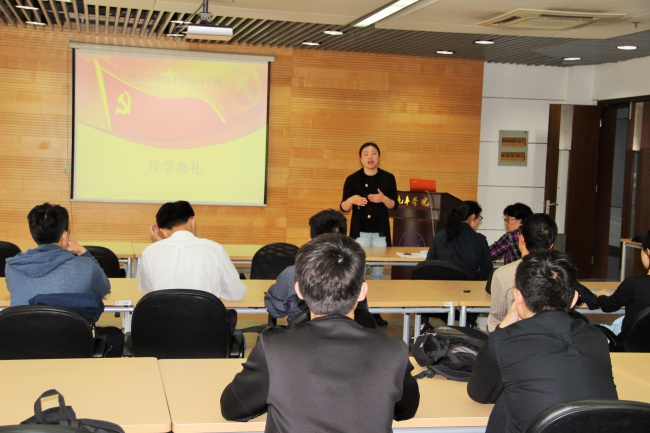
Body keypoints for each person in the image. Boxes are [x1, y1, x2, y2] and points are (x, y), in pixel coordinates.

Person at [221, 233, 420, 432]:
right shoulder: (393, 351)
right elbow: (406, 410)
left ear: (299, 291)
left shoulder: (273, 349)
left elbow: (232, 408)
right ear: (362, 292)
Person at [468, 249, 618, 433]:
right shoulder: (596, 337)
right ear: (574, 299)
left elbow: (479, 393)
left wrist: (504, 326)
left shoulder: (505, 340)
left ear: (518, 296)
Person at [263, 209, 375, 328]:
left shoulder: (292, 273)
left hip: (302, 337)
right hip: (351, 335)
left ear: (310, 242)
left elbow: (275, 310)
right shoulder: (355, 270)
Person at [487, 213, 598, 332]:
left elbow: (495, 322)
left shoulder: (501, 274)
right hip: (556, 336)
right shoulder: (560, 272)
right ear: (551, 246)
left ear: (521, 238)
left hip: (514, 337)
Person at [138, 200, 246, 301]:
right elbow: (237, 293)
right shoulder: (215, 249)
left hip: (165, 314)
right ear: (193, 220)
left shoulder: (149, 252)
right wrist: (216, 289)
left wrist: (162, 244)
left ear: (163, 231)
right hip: (205, 315)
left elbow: (147, 293)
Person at [6, 203, 111, 306]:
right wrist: (82, 252)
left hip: (26, 318)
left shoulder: (12, 267)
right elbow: (104, 288)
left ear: (32, 236)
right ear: (64, 236)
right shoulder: (86, 266)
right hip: (70, 318)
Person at [341, 142, 398, 326]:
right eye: (366, 154)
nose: (370, 157)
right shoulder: (353, 179)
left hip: (380, 234)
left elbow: (394, 205)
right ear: (360, 159)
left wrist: (384, 199)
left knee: (378, 274)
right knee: (359, 274)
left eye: (373, 153)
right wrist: (351, 200)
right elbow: (343, 207)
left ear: (379, 157)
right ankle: (359, 312)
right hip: (360, 234)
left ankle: (376, 313)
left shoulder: (388, 178)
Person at [596, 230, 650, 341]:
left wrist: (601, 295)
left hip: (632, 345)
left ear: (648, 252)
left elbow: (608, 306)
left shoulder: (634, 283)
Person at [426, 200, 492, 280]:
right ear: (473, 216)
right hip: (468, 286)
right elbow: (487, 271)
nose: (479, 222)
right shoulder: (480, 240)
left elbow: (429, 265)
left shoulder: (439, 236)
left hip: (441, 285)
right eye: (479, 218)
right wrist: (473, 282)